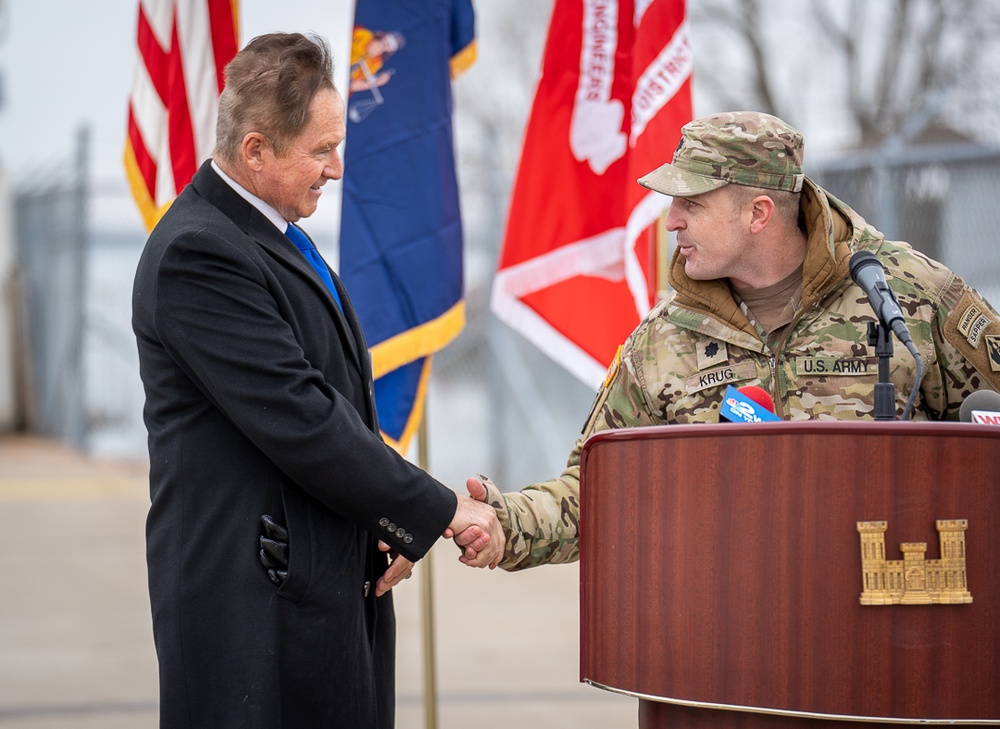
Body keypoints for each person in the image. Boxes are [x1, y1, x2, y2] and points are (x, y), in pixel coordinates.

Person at [131, 33, 502, 729]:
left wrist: (379, 521)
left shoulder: (267, 236)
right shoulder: (199, 253)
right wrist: (438, 508)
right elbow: (301, 418)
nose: (338, 167)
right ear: (255, 150)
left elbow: (333, 408)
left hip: (312, 597)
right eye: (321, 149)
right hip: (254, 619)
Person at [459, 110, 1000, 572]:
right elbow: (599, 490)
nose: (671, 222)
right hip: (724, 643)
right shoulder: (663, 339)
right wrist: (506, 524)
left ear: (758, 213)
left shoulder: (909, 296)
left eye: (691, 204)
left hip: (891, 637)